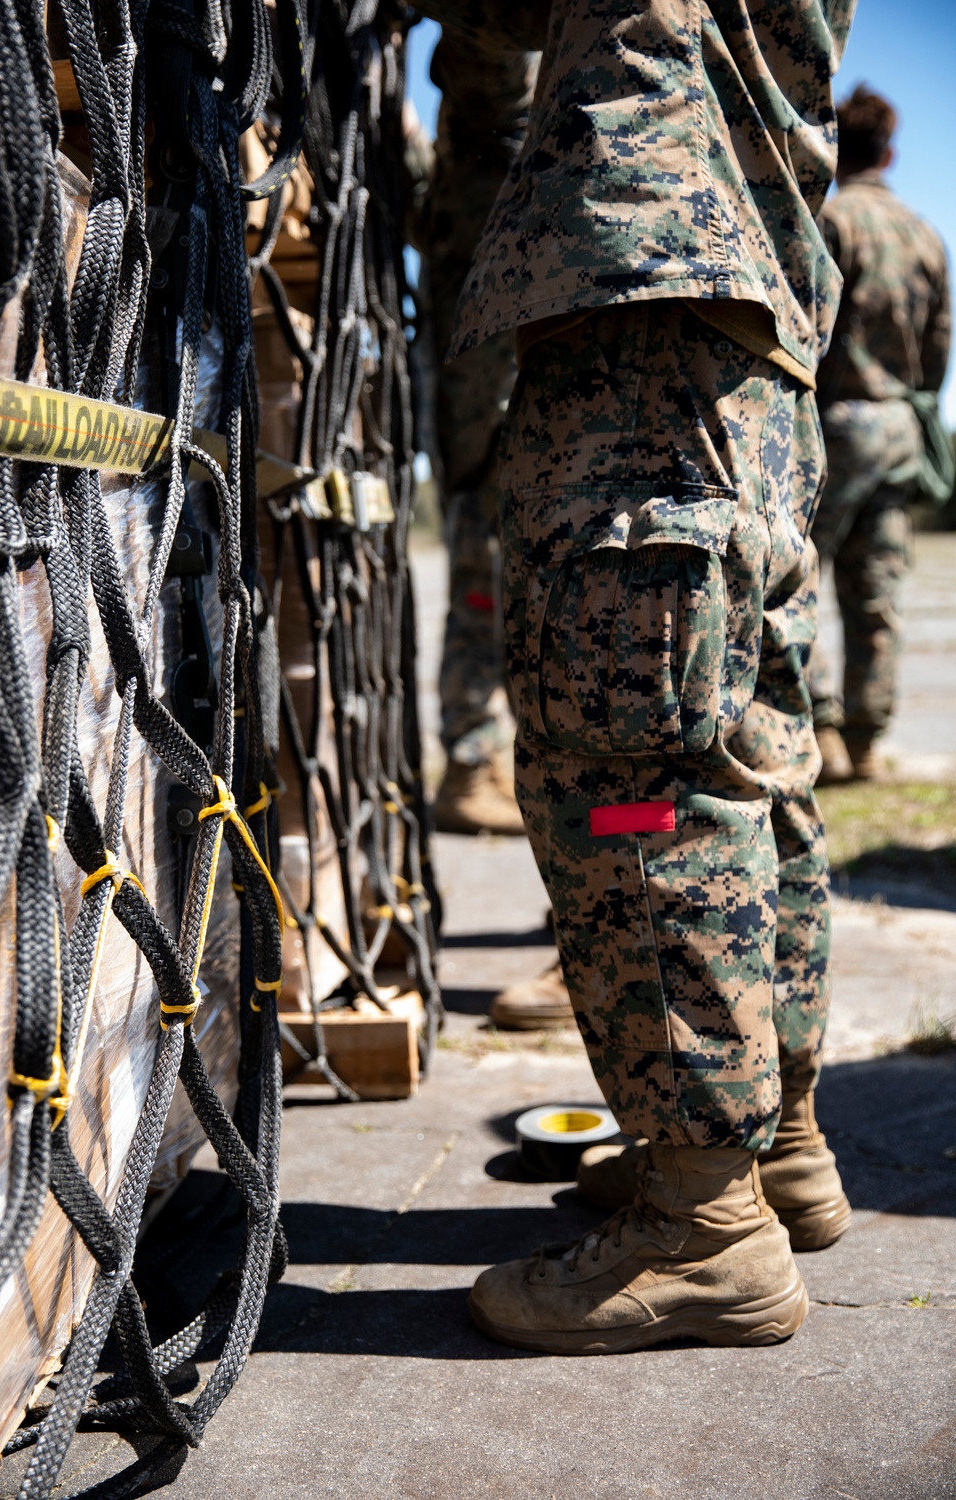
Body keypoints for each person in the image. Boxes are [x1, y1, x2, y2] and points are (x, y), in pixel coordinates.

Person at [418, 0, 856, 1355]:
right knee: (742, 755)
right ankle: (773, 1153)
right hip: (744, 317)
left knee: (633, 781)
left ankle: (701, 1229)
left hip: (635, 290)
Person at [808, 86, 952, 784]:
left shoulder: (831, 224)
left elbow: (808, 329)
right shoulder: (925, 234)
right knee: (876, 592)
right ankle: (867, 741)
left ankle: (824, 731)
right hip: (899, 426)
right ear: (891, 152)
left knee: (795, 576)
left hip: (837, 423)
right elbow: (940, 345)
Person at [415, 34, 537, 839]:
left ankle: (478, 754)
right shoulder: (504, 147)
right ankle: (471, 759)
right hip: (490, 391)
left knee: (484, 562)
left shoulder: (474, 155)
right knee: (484, 567)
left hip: (480, 388)